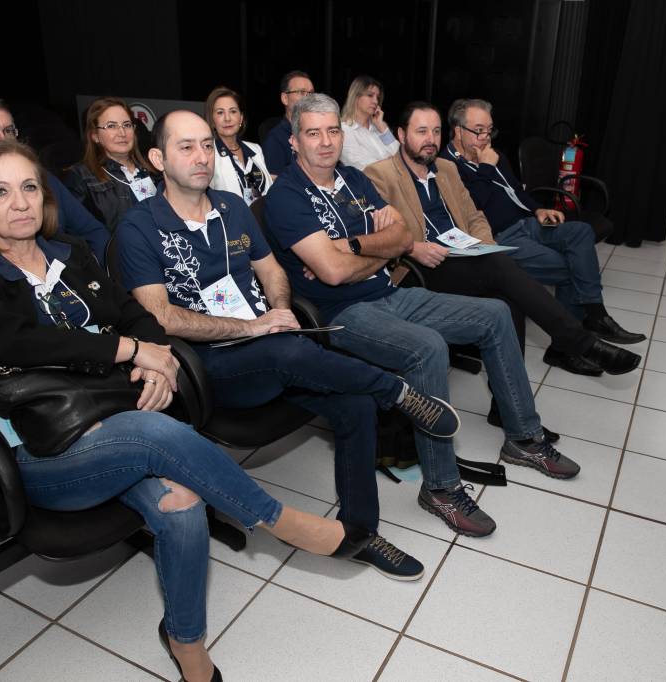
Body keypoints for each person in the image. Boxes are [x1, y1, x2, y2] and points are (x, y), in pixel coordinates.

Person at [0, 139, 373, 682]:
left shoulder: (71, 253)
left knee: (181, 502)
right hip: (40, 450)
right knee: (151, 431)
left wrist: (155, 362)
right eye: (0, 192)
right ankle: (278, 521)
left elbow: (136, 316)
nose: (20, 202)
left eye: (28, 187)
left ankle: (185, 639)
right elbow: (14, 342)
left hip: (116, 420)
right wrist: (128, 351)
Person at [116, 110, 466, 581]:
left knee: (355, 404)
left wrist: (279, 313)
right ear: (158, 159)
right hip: (214, 366)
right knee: (289, 352)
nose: (201, 157)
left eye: (207, 145)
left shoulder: (232, 206)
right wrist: (252, 330)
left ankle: (360, 533)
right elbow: (160, 316)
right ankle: (397, 392)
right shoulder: (138, 227)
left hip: (274, 346)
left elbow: (272, 271)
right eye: (186, 147)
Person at [265, 94, 585, 539]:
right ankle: (440, 487)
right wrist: (374, 250)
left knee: (495, 314)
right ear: (295, 140)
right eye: (313, 133)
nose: (325, 142)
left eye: (333, 131)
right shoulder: (285, 196)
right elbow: (334, 274)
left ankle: (524, 438)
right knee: (428, 347)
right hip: (341, 314)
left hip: (389, 292)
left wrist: (354, 246)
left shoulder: (353, 179)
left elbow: (401, 236)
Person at [364, 102, 641, 378]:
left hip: (463, 255)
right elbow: (376, 238)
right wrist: (413, 247)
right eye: (422, 131)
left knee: (509, 301)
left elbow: (475, 216)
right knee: (503, 268)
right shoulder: (379, 174)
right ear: (401, 135)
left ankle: (508, 397)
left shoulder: (445, 169)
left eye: (435, 131)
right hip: (421, 265)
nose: (431, 139)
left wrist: (486, 246)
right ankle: (582, 343)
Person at [442, 99, 646, 345]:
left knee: (581, 231)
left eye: (490, 130)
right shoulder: (446, 166)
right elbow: (474, 206)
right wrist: (486, 167)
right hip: (500, 237)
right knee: (571, 267)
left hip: (527, 222)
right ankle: (572, 341)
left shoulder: (493, 156)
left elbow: (517, 191)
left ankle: (595, 315)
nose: (486, 137)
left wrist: (538, 209)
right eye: (479, 130)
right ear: (458, 131)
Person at [0, 97, 110, 263]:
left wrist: (96, 277)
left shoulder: (45, 179)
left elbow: (94, 231)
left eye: (8, 130)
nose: (2, 139)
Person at [65, 96, 160, 231]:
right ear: (95, 136)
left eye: (127, 125)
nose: (122, 132)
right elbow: (81, 232)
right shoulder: (80, 177)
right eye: (111, 126)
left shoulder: (153, 169)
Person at [205, 86, 273, 205]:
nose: (227, 118)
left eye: (233, 111)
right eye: (220, 113)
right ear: (212, 120)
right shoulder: (208, 154)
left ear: (241, 118)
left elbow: (269, 189)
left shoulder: (255, 149)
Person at [339, 75, 399, 171]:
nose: (375, 101)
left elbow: (401, 157)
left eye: (377, 97)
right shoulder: (344, 130)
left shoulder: (380, 129)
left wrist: (382, 127)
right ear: (356, 97)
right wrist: (392, 164)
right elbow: (365, 167)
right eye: (370, 95)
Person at [261, 70, 315, 175]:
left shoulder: (318, 133)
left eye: (311, 93)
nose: (308, 98)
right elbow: (276, 182)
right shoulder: (275, 140)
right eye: (301, 92)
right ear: (285, 98)